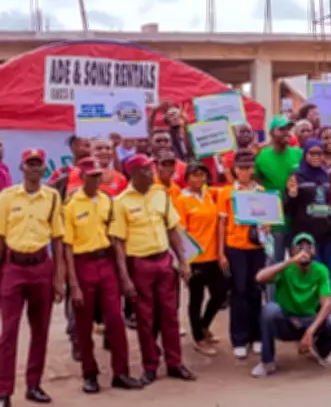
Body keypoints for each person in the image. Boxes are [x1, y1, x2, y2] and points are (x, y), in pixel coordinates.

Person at [109, 154, 196, 385]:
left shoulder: (161, 194)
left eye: (151, 169)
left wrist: (183, 261)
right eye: (146, 170)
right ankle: (150, 366)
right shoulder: (121, 202)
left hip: (164, 261)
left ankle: (175, 363)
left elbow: (172, 229)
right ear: (134, 174)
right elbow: (118, 242)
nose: (152, 174)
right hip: (139, 264)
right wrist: (125, 278)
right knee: (145, 318)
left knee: (170, 315)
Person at [62, 157, 141, 393]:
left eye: (98, 175)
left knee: (115, 319)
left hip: (106, 263)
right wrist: (73, 284)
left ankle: (121, 372)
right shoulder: (71, 206)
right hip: (83, 264)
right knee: (84, 323)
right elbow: (67, 247)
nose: (96, 180)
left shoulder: (108, 200)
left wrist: (123, 275)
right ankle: (89, 374)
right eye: (91, 176)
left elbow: (115, 239)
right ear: (81, 177)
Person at [0, 149, 65, 405]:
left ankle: (34, 385)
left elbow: (57, 239)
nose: (34, 168)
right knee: (8, 332)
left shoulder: (52, 197)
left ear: (43, 168)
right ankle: (4, 390)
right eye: (30, 164)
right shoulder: (6, 197)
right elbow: (1, 237)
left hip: (41, 267)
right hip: (14, 267)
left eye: (38, 164)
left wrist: (59, 277)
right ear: (22, 167)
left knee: (40, 330)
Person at [250, 233, 331, 377]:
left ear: (314, 251)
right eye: (300, 247)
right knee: (269, 310)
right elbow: (259, 277)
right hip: (286, 321)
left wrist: (310, 331)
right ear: (293, 251)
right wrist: (289, 261)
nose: (304, 251)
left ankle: (321, 352)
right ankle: (267, 362)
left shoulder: (321, 270)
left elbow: (327, 304)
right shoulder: (285, 269)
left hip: (309, 320)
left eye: (308, 247)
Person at [217, 149, 269, 359]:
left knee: (255, 291)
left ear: (253, 169)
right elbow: (222, 223)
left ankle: (257, 336)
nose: (244, 172)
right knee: (238, 292)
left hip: (256, 248)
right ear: (234, 169)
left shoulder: (262, 191)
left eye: (248, 168)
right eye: (240, 168)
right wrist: (221, 253)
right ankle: (239, 338)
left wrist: (267, 227)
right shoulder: (226, 193)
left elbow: (268, 219)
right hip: (235, 247)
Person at [176, 161, 227, 356]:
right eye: (195, 175)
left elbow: (229, 189)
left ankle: (204, 325)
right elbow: (180, 233)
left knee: (220, 294)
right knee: (196, 299)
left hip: (213, 255)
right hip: (195, 258)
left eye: (202, 175)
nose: (199, 178)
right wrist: (184, 262)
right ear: (187, 177)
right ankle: (198, 338)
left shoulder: (208, 195)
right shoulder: (182, 200)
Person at [285, 139, 331, 281]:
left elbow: (330, 202)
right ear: (305, 154)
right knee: (312, 275)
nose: (316, 157)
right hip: (306, 237)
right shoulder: (296, 176)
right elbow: (287, 208)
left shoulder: (326, 176)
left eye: (320, 153)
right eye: (312, 153)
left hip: (327, 236)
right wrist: (292, 195)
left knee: (328, 275)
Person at [254, 116, 302, 263]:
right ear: (271, 133)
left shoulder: (298, 154)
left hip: (295, 219)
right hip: (274, 222)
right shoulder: (262, 156)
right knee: (275, 264)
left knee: (297, 264)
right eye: (282, 129)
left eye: (288, 129)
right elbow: (255, 184)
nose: (287, 132)